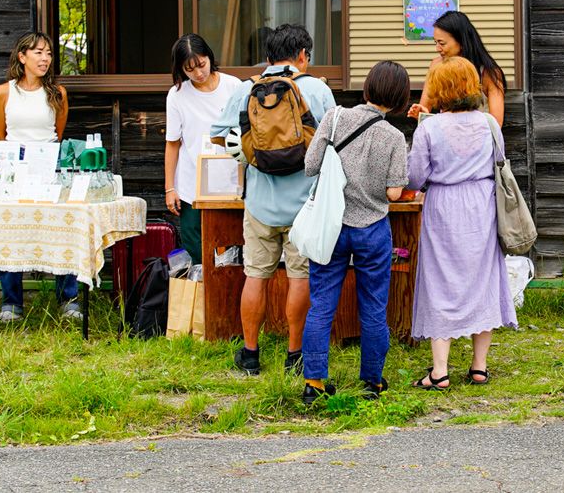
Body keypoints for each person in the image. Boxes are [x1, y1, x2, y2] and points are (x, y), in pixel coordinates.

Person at [211, 24, 336, 375]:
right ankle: (295, 355)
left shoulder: (247, 90)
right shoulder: (316, 89)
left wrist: (253, 155)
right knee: (300, 278)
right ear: (303, 56)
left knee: (256, 275)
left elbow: (220, 138)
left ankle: (251, 354)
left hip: (260, 205)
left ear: (267, 58)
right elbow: (332, 140)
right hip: (305, 207)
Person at [300, 61, 411, 405]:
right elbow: (394, 193)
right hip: (372, 229)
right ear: (399, 99)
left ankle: (315, 383)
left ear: (366, 88)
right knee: (374, 308)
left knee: (321, 305)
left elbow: (310, 166)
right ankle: (372, 383)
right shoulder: (394, 137)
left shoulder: (334, 118)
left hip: (331, 226)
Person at [407, 56, 517, 389]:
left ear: (439, 88)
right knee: (482, 279)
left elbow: (414, 178)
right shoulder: (489, 125)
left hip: (443, 205)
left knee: (440, 281)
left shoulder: (429, 128)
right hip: (482, 205)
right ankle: (479, 367)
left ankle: (439, 371)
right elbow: (499, 161)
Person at [0, 32, 76, 322]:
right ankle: (11, 302)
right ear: (22, 57)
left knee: (60, 230)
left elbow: (58, 133)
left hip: (49, 164)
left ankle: (68, 298)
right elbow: (1, 134)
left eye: (49, 53)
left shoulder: (57, 93)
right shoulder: (4, 92)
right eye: (38, 52)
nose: (45, 58)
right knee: (11, 232)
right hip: (16, 166)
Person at [164, 34, 240, 265]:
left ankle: (226, 288)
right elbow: (172, 143)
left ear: (209, 57)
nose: (198, 73)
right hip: (191, 181)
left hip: (229, 177)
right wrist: (170, 188)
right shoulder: (177, 95)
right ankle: (205, 286)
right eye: (190, 69)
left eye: (202, 64)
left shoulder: (233, 86)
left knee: (231, 236)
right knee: (192, 236)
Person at [408, 10, 506, 127]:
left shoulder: (488, 73)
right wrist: (422, 114)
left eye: (442, 43)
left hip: (478, 140)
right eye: (435, 42)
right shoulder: (436, 65)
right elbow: (425, 108)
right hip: (446, 139)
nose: (437, 48)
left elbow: (496, 123)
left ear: (461, 41)